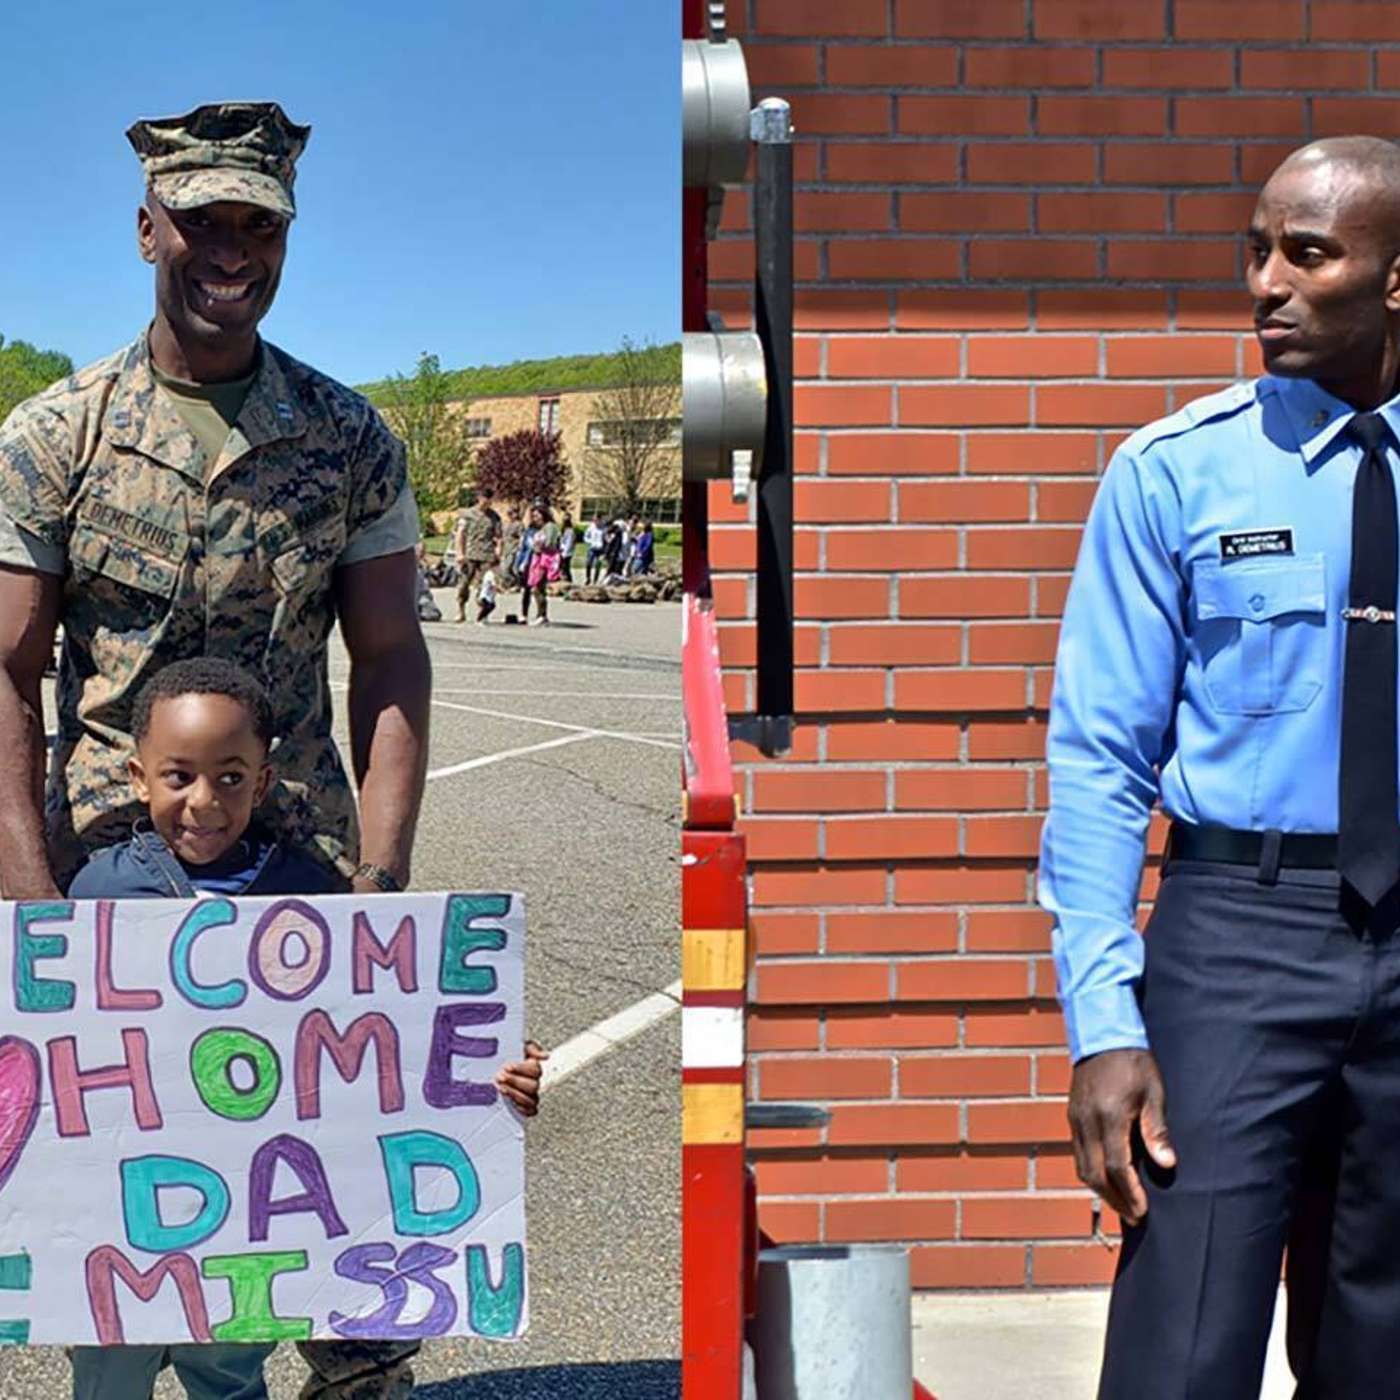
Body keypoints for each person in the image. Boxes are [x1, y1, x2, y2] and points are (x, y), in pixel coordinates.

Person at [0, 102, 433, 1399]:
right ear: (149, 230)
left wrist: (384, 879)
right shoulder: (54, 439)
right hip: (111, 896)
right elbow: (6, 674)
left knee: (336, 1237)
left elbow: (394, 658)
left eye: (260, 223)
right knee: (134, 1240)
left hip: (297, 877)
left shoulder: (348, 440)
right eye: (204, 221)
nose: (231, 248)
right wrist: (28, 904)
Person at [1039, 135, 1400, 1398]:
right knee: (1179, 1350)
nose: (1264, 283)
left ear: (1395, 279)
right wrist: (1100, 1019)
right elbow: (1096, 759)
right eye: (1255, 251)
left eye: (1306, 253)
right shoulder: (1173, 472)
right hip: (1234, 932)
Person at [65, 658, 546, 1399]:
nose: (204, 801)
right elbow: (55, 1043)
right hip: (121, 1218)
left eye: (230, 777)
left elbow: (380, 1040)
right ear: (136, 777)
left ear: (262, 783)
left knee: (228, 1370)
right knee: (108, 1377)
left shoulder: (310, 893)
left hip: (250, 1226)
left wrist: (483, 1071)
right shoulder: (96, 891)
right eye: (178, 776)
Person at [452, 488, 501, 623]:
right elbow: (460, 534)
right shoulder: (467, 514)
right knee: (463, 584)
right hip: (469, 554)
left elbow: (498, 538)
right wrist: (460, 553)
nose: (487, 502)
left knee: (484, 585)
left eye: (489, 499)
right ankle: (460, 610)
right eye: (484, 498)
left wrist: (498, 553)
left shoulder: (494, 517)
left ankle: (482, 613)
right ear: (479, 498)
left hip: (486, 555)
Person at [520, 502, 561, 626]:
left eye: (537, 515)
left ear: (543, 515)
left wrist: (539, 547)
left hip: (545, 560)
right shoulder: (541, 528)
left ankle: (542, 615)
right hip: (537, 559)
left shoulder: (550, 527)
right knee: (535, 587)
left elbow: (550, 543)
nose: (535, 518)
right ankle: (540, 614)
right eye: (533, 516)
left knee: (538, 587)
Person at [499, 505, 525, 589]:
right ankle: (510, 583)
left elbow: (522, 537)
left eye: (512, 513)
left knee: (509, 567)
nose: (510, 515)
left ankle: (515, 583)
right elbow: (502, 537)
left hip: (513, 549)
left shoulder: (519, 524)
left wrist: (519, 547)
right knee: (503, 568)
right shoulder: (505, 524)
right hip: (505, 549)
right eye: (509, 513)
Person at [584, 514, 607, 584]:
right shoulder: (591, 527)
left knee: (598, 564)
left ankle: (595, 580)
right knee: (588, 563)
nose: (595, 522)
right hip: (592, 548)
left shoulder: (604, 528)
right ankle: (588, 578)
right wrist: (590, 542)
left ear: (600, 520)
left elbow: (606, 538)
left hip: (600, 549)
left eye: (596, 520)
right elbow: (585, 537)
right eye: (594, 520)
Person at [558, 510, 576, 583]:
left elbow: (569, 543)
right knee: (562, 568)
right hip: (562, 551)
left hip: (566, 553)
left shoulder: (570, 531)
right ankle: (565, 581)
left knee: (566, 568)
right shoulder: (563, 530)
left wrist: (564, 553)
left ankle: (569, 582)